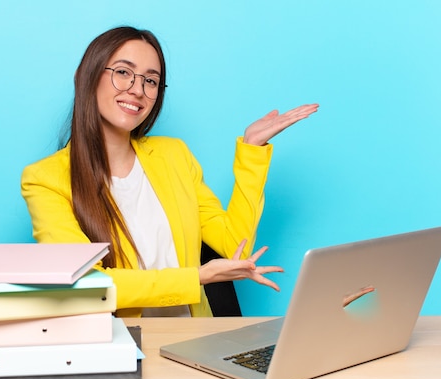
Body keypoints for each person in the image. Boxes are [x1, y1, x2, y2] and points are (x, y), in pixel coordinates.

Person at [21, 26, 319, 317]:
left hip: (194, 340)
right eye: (123, 72)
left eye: (151, 80)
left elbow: (233, 246)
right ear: (85, 77)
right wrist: (195, 278)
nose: (138, 90)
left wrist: (252, 151)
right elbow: (87, 284)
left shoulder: (174, 155)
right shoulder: (45, 179)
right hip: (120, 346)